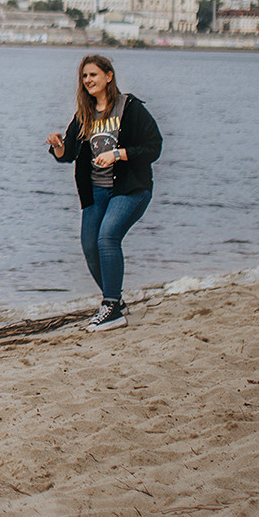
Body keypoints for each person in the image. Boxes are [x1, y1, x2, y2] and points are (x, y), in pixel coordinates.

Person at [45, 54, 162, 332]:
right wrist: (58, 145)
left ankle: (110, 306)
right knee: (90, 246)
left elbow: (153, 147)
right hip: (95, 192)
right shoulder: (84, 114)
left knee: (107, 237)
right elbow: (69, 154)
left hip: (129, 188)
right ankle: (115, 305)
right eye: (84, 76)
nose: (88, 81)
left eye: (93, 75)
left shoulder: (130, 107)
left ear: (108, 76)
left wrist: (118, 155)